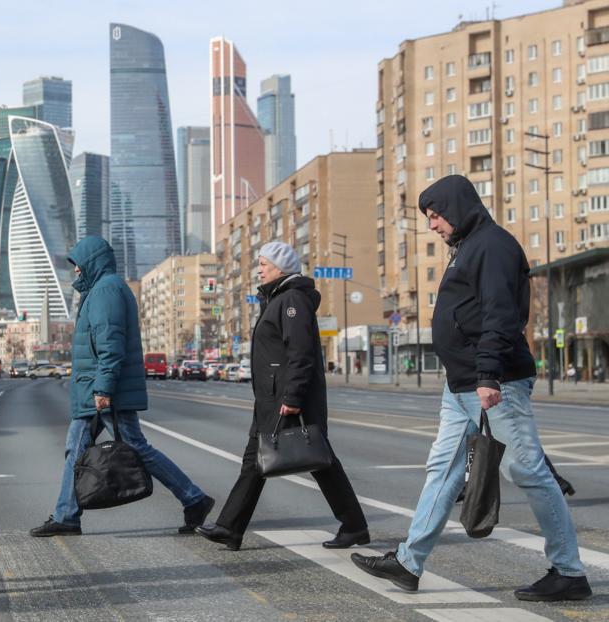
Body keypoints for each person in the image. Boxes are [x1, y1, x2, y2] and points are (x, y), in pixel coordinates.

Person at [351, 175, 591, 602]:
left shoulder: (493, 246)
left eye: (436, 215)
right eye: (428, 218)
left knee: (529, 471)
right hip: (460, 383)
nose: (433, 225)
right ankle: (409, 561)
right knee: (442, 469)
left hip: (493, 381)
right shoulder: (466, 247)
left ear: (458, 207)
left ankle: (570, 572)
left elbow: (501, 314)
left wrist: (487, 376)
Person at [30, 236, 214, 537]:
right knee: (76, 451)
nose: (75, 272)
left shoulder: (106, 291)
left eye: (78, 265)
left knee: (134, 448)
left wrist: (103, 389)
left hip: (102, 393)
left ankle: (194, 498)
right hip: (94, 391)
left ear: (91, 263)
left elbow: (110, 345)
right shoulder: (102, 290)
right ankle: (67, 515)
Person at [197, 242, 370, 551]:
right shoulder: (276, 299)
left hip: (286, 399)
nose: (259, 268)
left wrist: (293, 396)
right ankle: (230, 528)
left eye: (264, 263)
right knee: (254, 462)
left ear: (280, 267)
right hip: (269, 398)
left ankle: (355, 526)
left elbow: (300, 354)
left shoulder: (291, 300)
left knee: (321, 461)